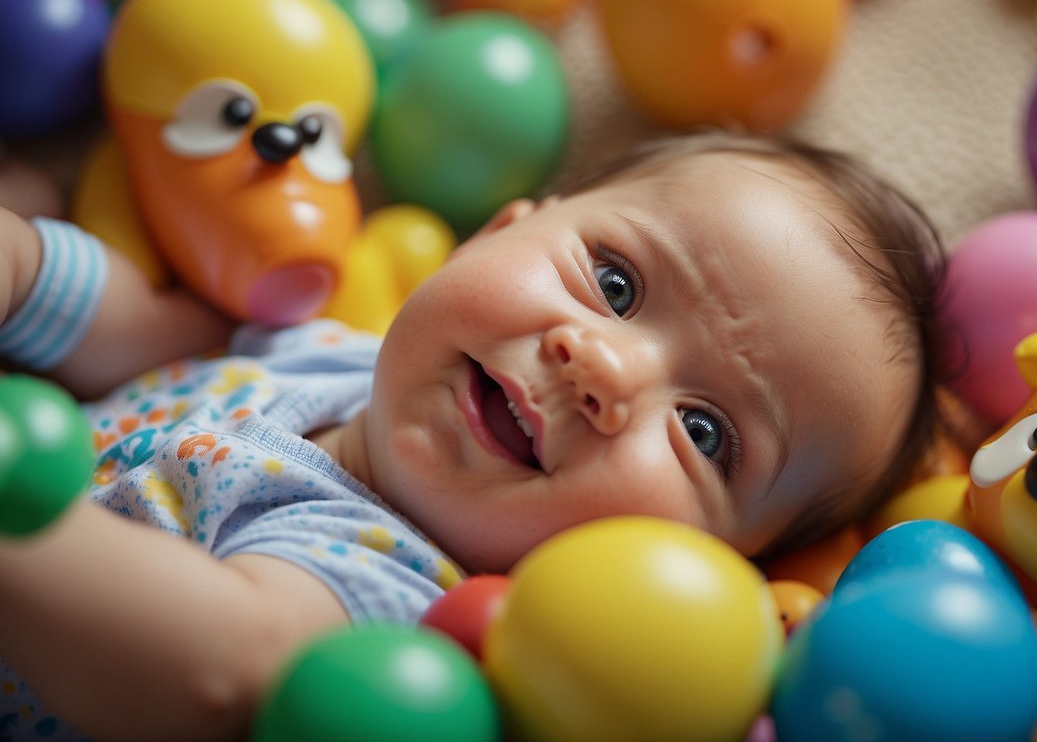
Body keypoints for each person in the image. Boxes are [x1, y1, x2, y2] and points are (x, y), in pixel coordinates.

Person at [0, 130, 945, 742]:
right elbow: (137, 335)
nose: (605, 370)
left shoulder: (397, 597)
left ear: (699, 568)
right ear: (494, 232)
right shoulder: (336, 351)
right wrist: (26, 267)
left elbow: (218, 669)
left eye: (704, 433)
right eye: (614, 285)